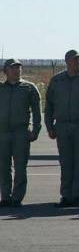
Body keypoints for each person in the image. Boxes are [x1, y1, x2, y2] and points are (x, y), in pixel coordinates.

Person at [44, 49, 79, 207]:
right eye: (75, 60)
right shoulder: (57, 80)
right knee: (66, 162)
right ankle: (66, 195)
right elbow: (49, 105)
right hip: (62, 126)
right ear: (67, 61)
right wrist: (49, 126)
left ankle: (77, 196)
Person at [0, 59, 41, 208]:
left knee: (20, 167)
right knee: (3, 167)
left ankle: (17, 198)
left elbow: (37, 111)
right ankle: (5, 197)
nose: (17, 70)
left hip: (21, 132)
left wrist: (36, 130)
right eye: (13, 68)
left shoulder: (29, 88)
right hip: (3, 132)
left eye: (18, 68)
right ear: (6, 71)